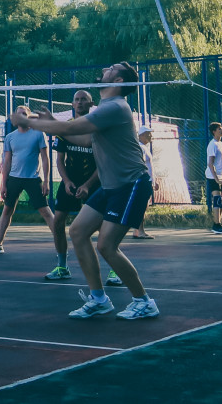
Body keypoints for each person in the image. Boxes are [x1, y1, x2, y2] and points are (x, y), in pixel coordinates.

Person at [28, 63, 160, 321]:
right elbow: (85, 139)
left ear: (118, 79)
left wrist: (30, 122)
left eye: (111, 68)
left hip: (130, 183)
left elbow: (71, 129)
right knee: (77, 231)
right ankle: (99, 299)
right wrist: (53, 122)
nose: (105, 69)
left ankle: (144, 301)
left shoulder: (115, 106)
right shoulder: (106, 109)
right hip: (111, 186)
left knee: (106, 245)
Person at [45, 90, 101, 280]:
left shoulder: (97, 127)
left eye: (83, 99)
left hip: (94, 182)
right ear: (72, 104)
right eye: (76, 100)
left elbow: (103, 163)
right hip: (70, 181)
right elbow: (59, 160)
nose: (79, 103)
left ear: (91, 104)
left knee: (104, 226)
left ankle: (113, 268)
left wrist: (87, 185)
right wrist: (67, 181)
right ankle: (62, 267)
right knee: (58, 221)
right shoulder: (65, 128)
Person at [0, 107, 55, 255]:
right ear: (14, 118)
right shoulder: (10, 137)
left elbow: (45, 158)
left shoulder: (38, 134)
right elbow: (7, 161)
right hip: (14, 179)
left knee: (46, 212)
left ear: (29, 116)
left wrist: (47, 181)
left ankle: (60, 244)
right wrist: (4, 184)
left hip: (33, 179)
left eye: (24, 113)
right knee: (7, 210)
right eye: (19, 114)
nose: (21, 116)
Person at [130, 125, 158, 239]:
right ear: (141, 135)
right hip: (143, 181)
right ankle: (140, 231)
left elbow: (149, 166)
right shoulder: (140, 148)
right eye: (148, 134)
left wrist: (154, 181)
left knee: (143, 206)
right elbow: (140, 166)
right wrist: (145, 180)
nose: (150, 136)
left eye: (150, 134)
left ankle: (137, 231)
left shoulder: (144, 148)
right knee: (141, 206)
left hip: (147, 181)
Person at [205, 122, 222, 235]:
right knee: (217, 199)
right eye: (219, 129)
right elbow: (211, 164)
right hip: (212, 175)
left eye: (221, 128)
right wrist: (216, 179)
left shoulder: (221, 144)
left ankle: (218, 222)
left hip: (221, 175)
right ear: (214, 131)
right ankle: (216, 225)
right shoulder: (213, 145)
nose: (221, 130)